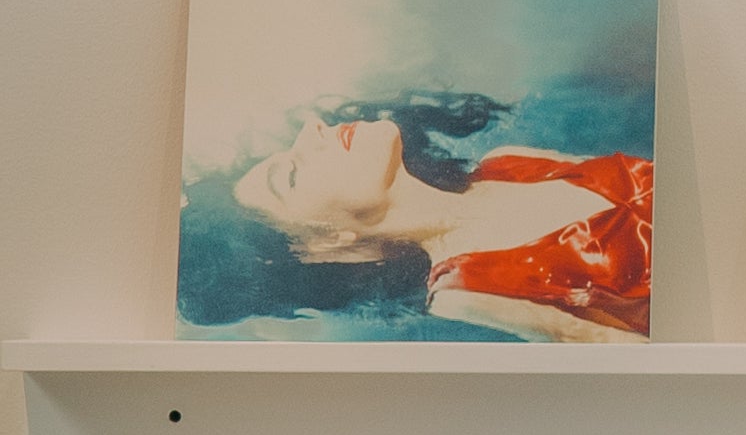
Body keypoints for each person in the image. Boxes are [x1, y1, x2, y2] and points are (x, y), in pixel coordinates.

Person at [177, 100, 652, 342]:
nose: (312, 129)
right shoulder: (463, 292)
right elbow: (608, 349)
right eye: (294, 174)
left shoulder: (508, 160)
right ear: (329, 245)